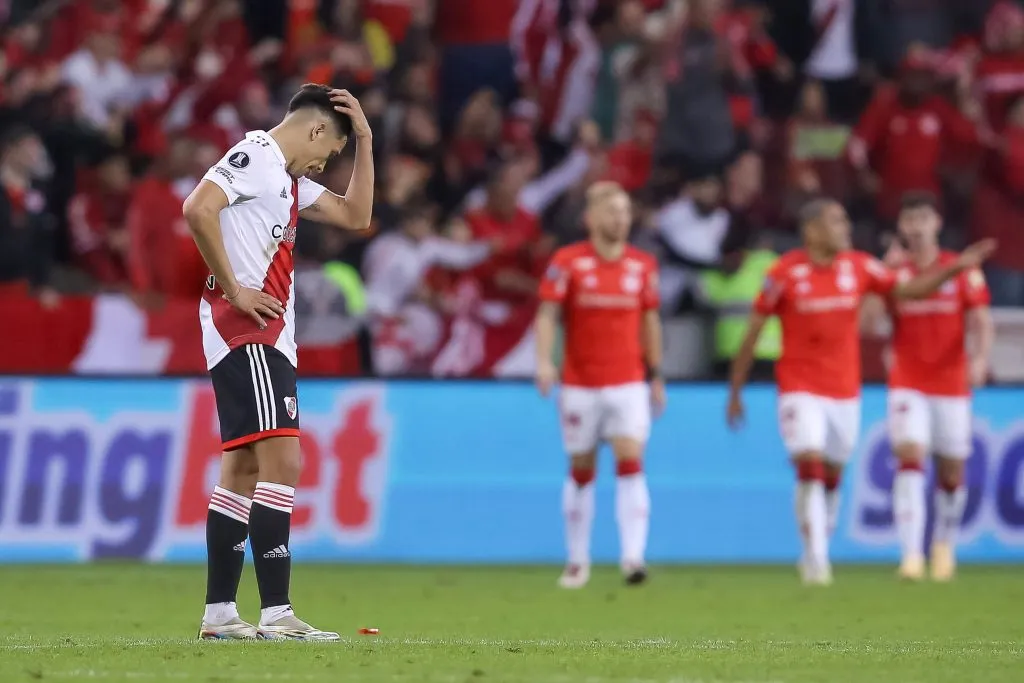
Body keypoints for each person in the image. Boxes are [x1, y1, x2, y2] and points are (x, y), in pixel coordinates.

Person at [182, 83, 373, 640]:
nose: (326, 162)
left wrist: (361, 137)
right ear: (315, 130)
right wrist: (239, 290)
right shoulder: (257, 158)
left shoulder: (287, 182)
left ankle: (220, 614)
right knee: (284, 463)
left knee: (241, 470)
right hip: (250, 330)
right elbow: (198, 208)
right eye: (331, 151)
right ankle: (278, 612)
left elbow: (357, 213)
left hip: (256, 334)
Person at [725, 198, 995, 586]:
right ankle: (819, 558)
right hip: (799, 388)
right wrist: (736, 390)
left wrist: (953, 268)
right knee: (810, 463)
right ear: (812, 231)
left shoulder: (861, 266)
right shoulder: (783, 273)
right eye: (837, 221)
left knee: (833, 474)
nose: (846, 228)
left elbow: (911, 291)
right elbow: (752, 333)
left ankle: (823, 543)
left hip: (845, 392)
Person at [535, 181, 666, 589]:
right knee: (581, 470)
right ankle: (577, 561)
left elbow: (650, 320)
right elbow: (547, 315)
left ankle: (632, 558)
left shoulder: (642, 266)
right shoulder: (568, 262)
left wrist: (656, 374)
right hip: (580, 383)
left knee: (631, 461)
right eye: (612, 211)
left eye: (625, 212)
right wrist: (543, 361)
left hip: (628, 382)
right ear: (590, 218)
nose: (621, 219)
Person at [881, 193, 993, 582]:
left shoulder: (961, 269)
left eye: (923, 218)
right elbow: (866, 320)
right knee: (910, 456)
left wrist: (979, 358)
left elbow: (980, 319)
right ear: (901, 227)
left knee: (950, 471)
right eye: (909, 219)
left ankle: (943, 544)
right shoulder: (893, 272)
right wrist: (882, 276)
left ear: (937, 223)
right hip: (907, 381)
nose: (916, 226)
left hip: (950, 381)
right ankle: (911, 555)